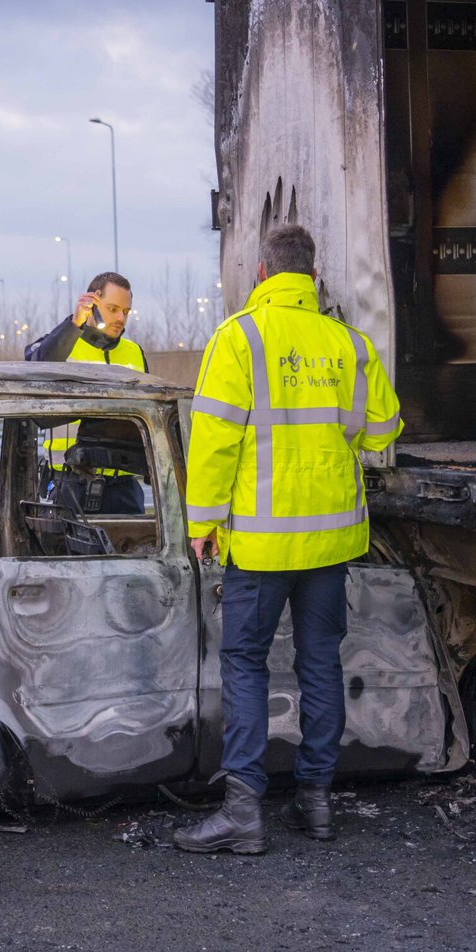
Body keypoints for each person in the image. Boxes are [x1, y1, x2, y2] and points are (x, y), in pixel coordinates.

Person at [173, 224, 403, 855]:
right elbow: (383, 432)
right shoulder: (348, 344)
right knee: (320, 664)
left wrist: (201, 524)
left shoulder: (239, 338)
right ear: (313, 276)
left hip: (261, 543)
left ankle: (244, 812)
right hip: (330, 544)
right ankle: (317, 801)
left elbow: (215, 440)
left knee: (245, 664)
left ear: (262, 273)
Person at [24, 271, 149, 515]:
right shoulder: (63, 344)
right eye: (113, 308)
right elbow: (35, 369)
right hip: (70, 483)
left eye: (126, 311)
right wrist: (73, 325)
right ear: (91, 303)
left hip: (124, 487)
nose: (120, 318)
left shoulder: (134, 352)